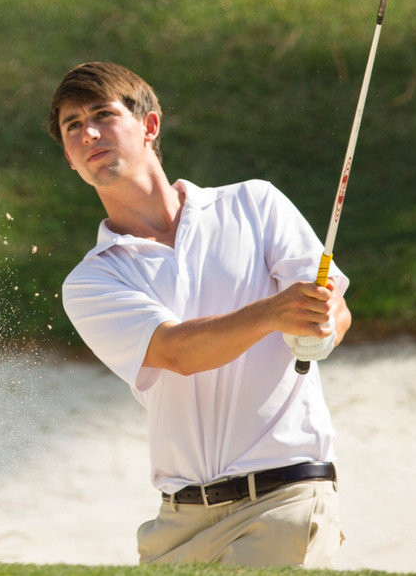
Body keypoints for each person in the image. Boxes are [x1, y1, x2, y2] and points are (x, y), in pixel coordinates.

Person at [52, 61, 349, 569]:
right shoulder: (92, 280)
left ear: (149, 126)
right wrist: (273, 313)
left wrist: (321, 327)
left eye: (103, 114)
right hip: (176, 525)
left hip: (284, 502)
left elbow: (333, 309)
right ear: (68, 156)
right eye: (73, 126)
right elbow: (176, 351)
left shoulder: (255, 205)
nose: (89, 133)